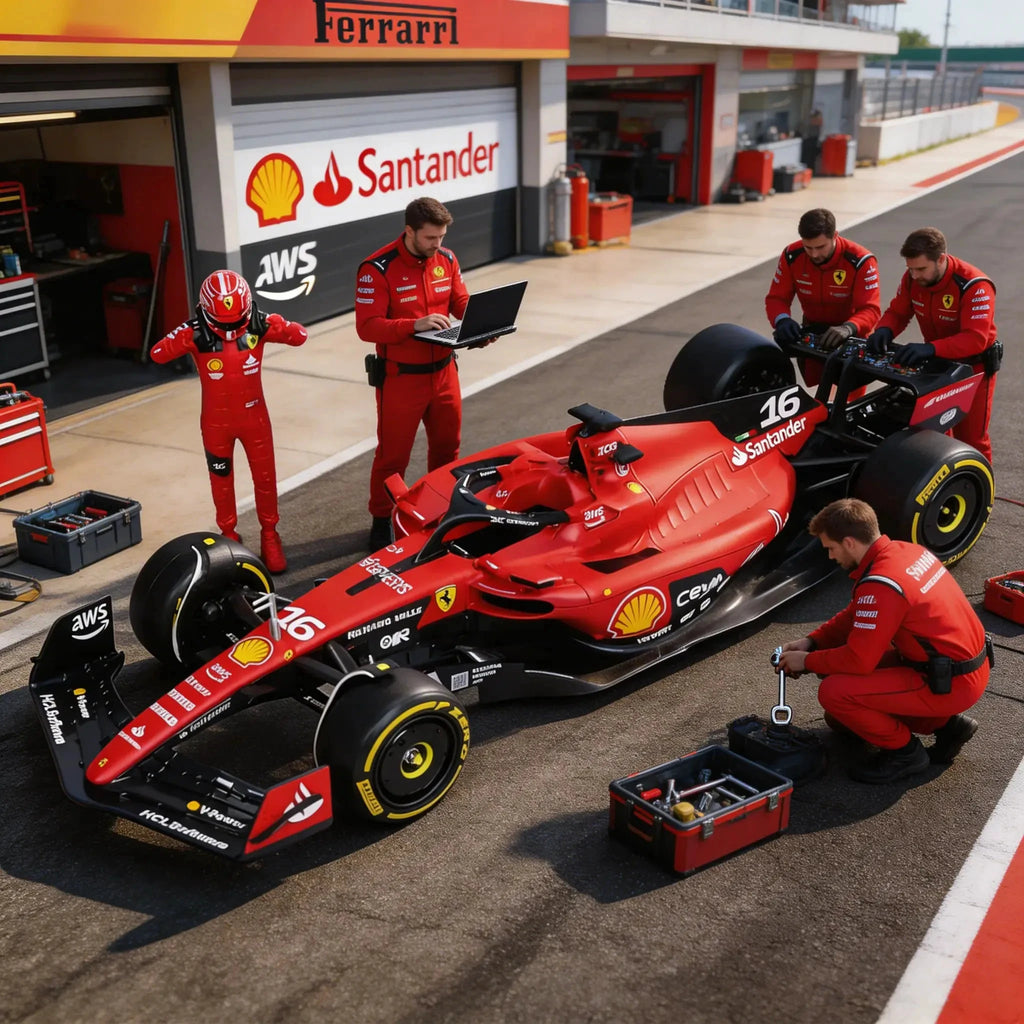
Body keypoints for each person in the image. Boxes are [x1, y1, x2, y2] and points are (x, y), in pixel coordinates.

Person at [777, 498, 991, 784]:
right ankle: (948, 726)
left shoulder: (881, 583)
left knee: (835, 693)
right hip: (957, 669)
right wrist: (812, 642)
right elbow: (857, 613)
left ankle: (906, 754)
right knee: (838, 718)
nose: (830, 556)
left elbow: (858, 660)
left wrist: (806, 661)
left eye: (831, 548)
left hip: (949, 682)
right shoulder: (906, 552)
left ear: (849, 542)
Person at [356, 196, 492, 551]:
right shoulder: (376, 268)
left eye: (442, 236)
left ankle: (440, 511)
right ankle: (382, 519)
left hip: (445, 372)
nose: (438, 244)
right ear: (409, 231)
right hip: (401, 379)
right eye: (431, 237)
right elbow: (367, 327)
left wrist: (482, 324)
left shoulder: (446, 259)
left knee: (448, 448)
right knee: (393, 457)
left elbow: (459, 301)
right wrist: (413, 324)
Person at [150, 269, 307, 574]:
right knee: (221, 483)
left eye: (237, 321)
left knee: (265, 479)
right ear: (205, 311)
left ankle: (270, 535)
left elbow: (300, 336)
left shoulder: (259, 324)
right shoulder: (195, 333)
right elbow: (157, 354)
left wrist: (274, 322)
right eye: (223, 323)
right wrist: (185, 332)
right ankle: (228, 536)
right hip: (216, 424)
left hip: (255, 419)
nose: (231, 329)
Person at [866, 227, 1000, 464]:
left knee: (972, 440)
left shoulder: (974, 285)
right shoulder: (912, 279)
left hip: (974, 370)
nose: (914, 275)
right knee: (935, 436)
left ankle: (981, 487)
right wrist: (884, 329)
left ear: (941, 259)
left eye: (920, 269)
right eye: (910, 268)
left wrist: (931, 348)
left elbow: (976, 339)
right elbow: (898, 312)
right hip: (937, 364)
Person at [765, 208, 881, 388]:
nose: (814, 254)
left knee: (848, 397)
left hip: (851, 337)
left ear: (835, 235)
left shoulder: (860, 260)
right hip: (814, 335)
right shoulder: (792, 255)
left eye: (820, 247)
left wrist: (848, 328)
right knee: (817, 395)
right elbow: (777, 298)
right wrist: (782, 320)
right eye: (808, 247)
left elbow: (870, 309)